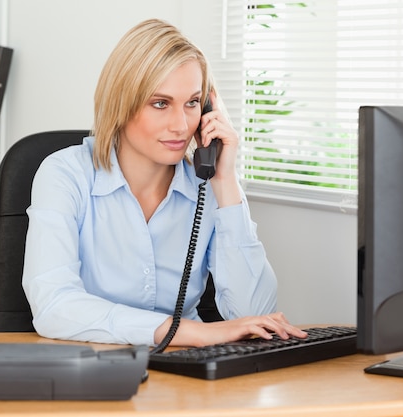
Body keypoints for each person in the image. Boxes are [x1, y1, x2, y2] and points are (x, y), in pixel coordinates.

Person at [22, 18, 306, 347]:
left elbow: (255, 314)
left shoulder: (208, 186)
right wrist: (189, 332)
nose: (181, 125)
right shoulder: (64, 175)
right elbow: (54, 306)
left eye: (192, 103)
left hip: (188, 373)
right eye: (160, 103)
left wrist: (225, 181)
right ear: (121, 104)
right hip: (90, 369)